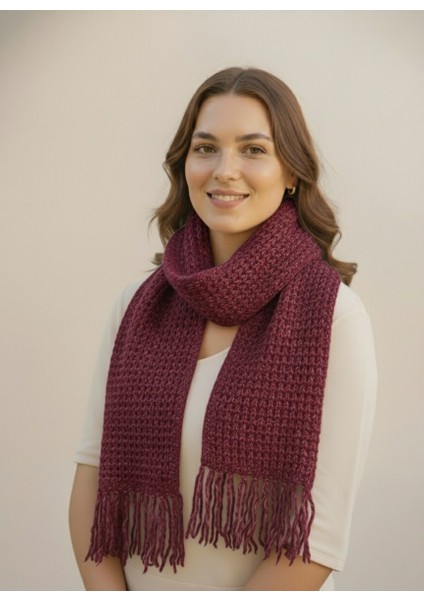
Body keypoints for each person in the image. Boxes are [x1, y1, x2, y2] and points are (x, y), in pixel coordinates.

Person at [69, 67, 377, 591]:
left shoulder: (335, 319)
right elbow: (90, 488)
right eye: (206, 148)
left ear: (291, 172)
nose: (224, 170)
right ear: (184, 164)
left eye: (253, 150)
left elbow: (317, 540)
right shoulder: (135, 306)